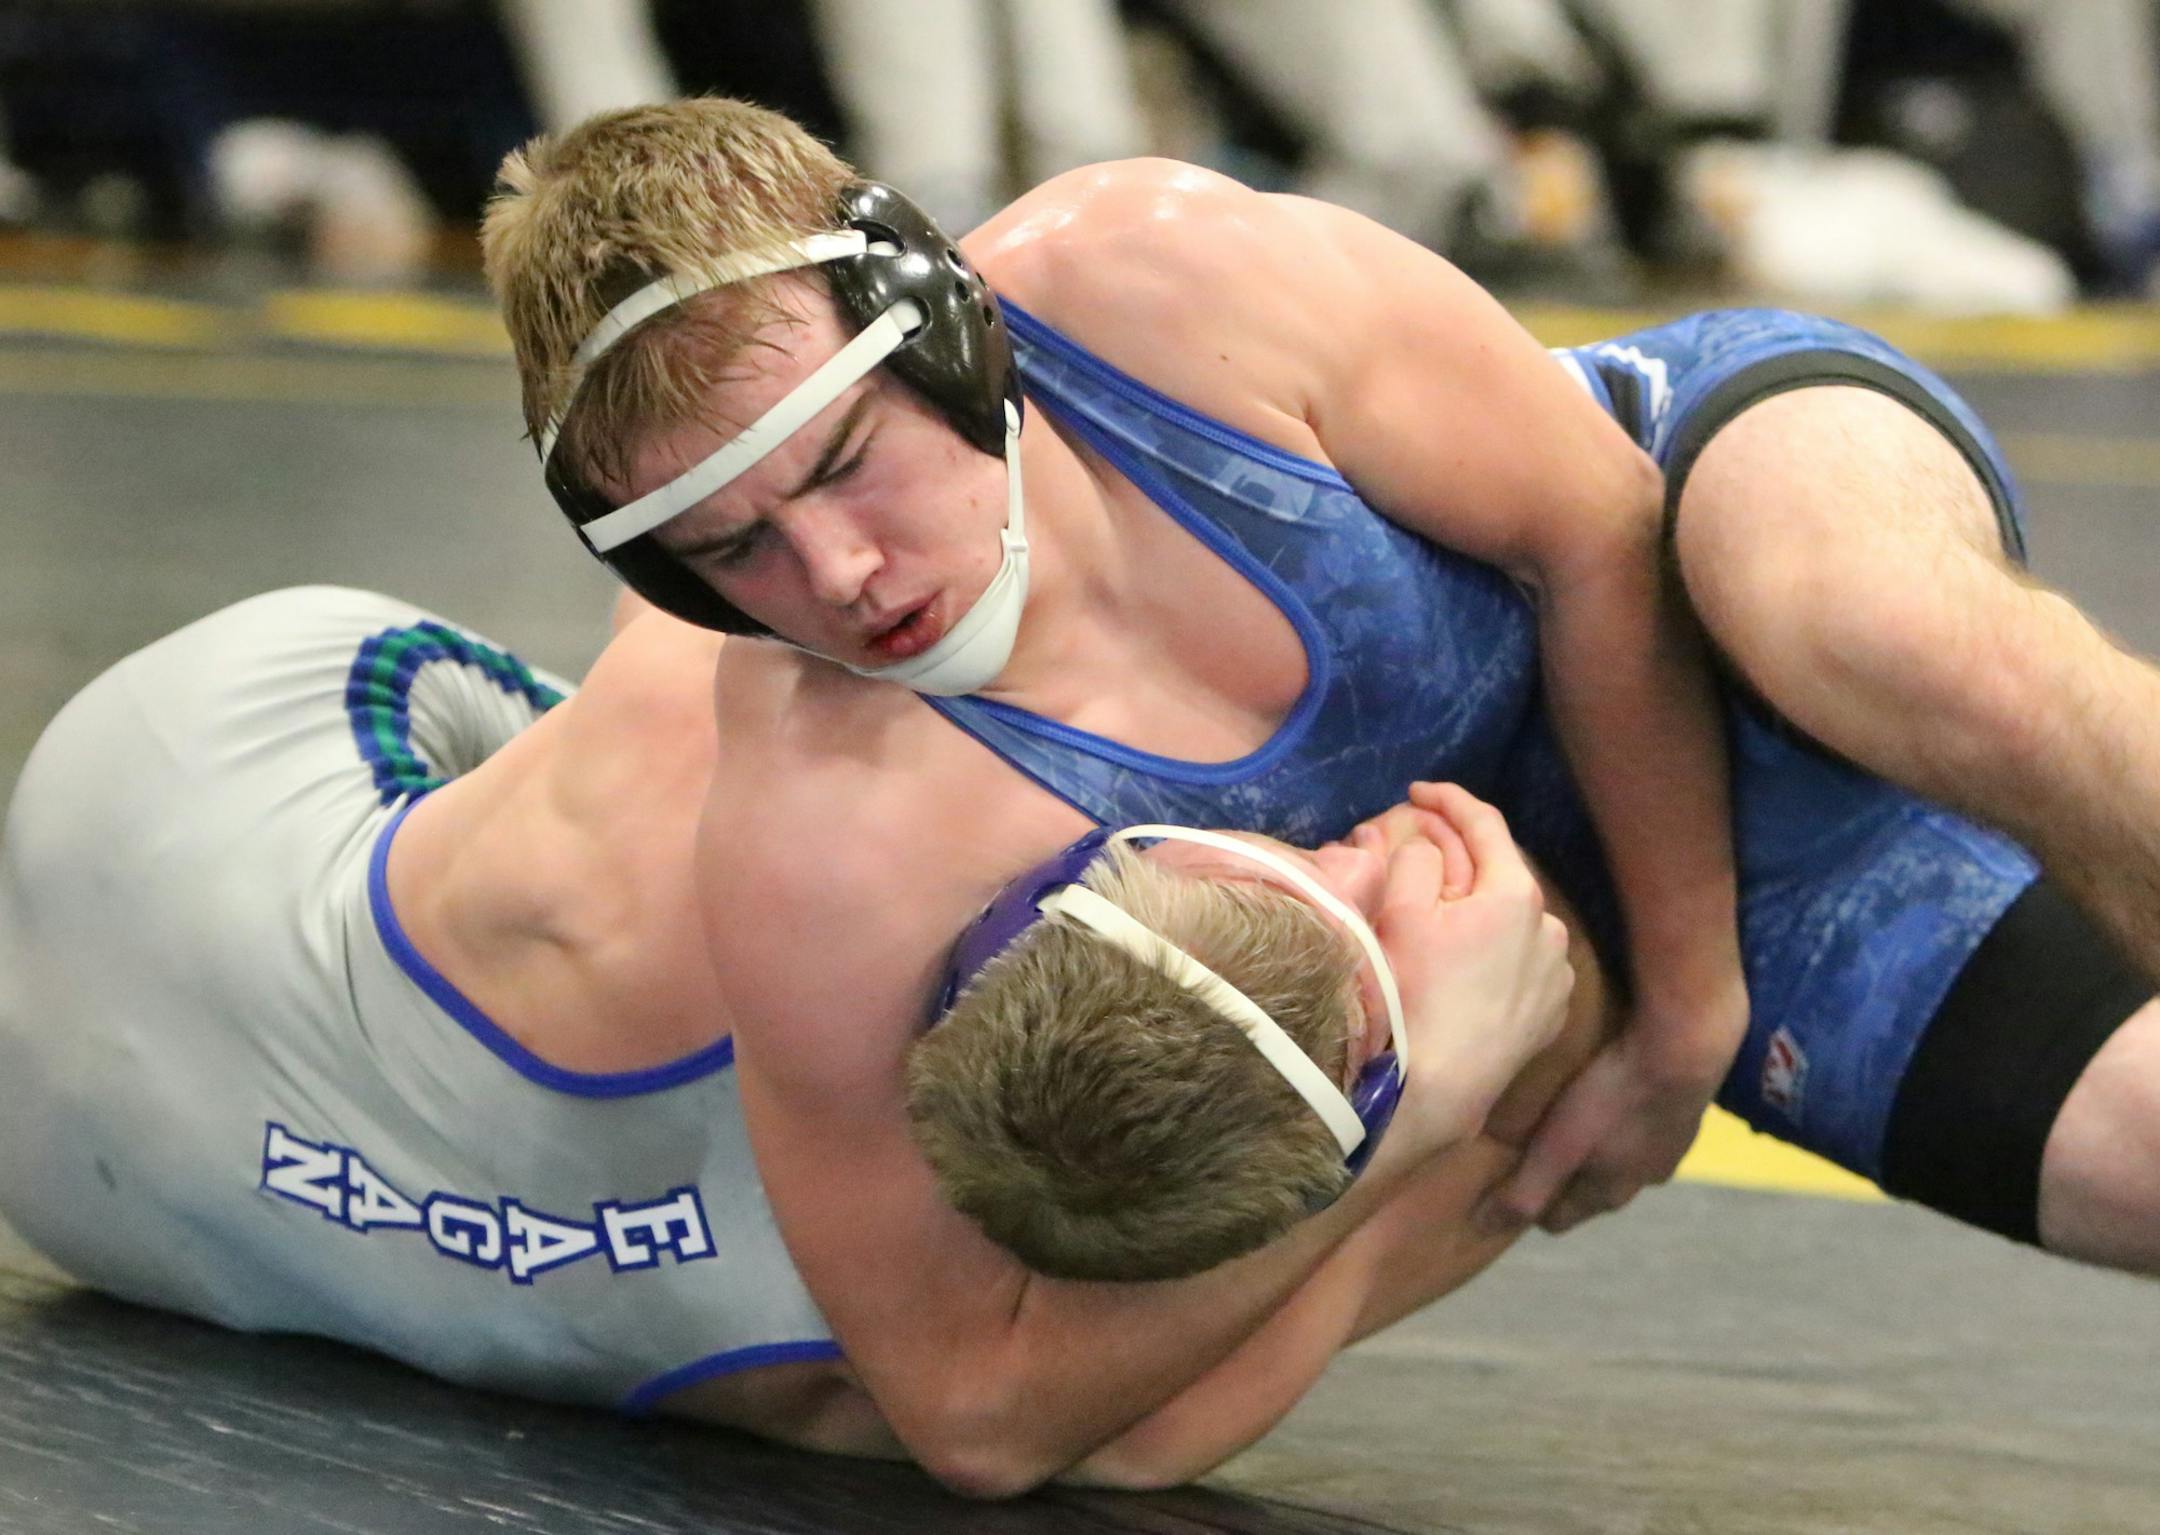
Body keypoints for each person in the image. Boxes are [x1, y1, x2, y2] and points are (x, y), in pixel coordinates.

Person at [482, 94, 2160, 1253]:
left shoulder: (1149, 280)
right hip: (1651, 911)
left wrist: (1686, 1015)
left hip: (1684, 512)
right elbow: (971, 1407)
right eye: (730, 547)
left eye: (845, 461)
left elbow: (1594, 532)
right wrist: (1432, 1104)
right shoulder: (832, 799)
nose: (833, 578)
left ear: (939, 333)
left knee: (1871, 628)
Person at [0, 585, 1577, 1490]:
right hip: (80, 1182)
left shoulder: (761, 820)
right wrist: (1437, 1107)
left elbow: (727, 498)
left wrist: (1423, 1083)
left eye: (1302, 850)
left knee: (783, 688)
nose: (1359, 832)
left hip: (159, 824)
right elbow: (1500, 1171)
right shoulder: (1047, 1404)